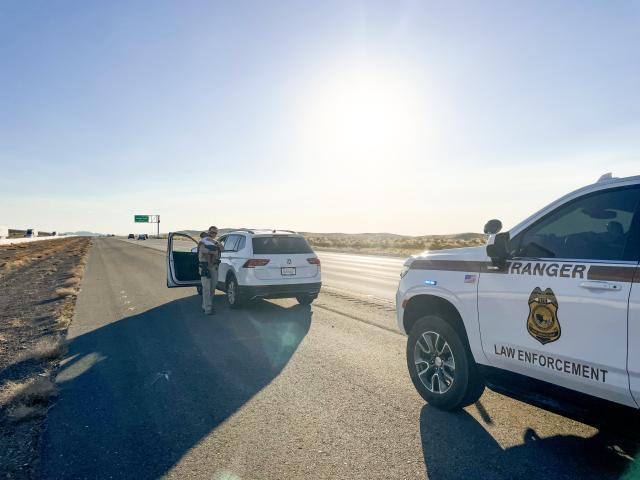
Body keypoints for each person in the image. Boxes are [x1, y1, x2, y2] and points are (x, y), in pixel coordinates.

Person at [197, 226, 222, 315]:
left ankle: (206, 305)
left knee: (212, 288)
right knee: (206, 288)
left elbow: (222, 249)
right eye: (212, 232)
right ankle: (208, 309)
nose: (213, 234)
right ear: (208, 232)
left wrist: (218, 245)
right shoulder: (203, 241)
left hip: (214, 267)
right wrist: (213, 252)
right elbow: (202, 250)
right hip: (205, 267)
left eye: (215, 233)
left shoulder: (215, 242)